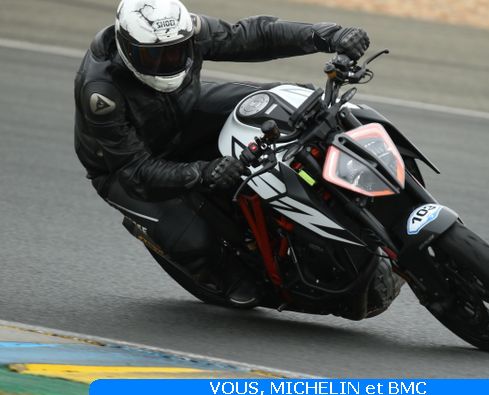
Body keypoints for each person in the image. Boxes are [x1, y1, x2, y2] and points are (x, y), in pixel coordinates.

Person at [74, 0, 370, 306]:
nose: (166, 62)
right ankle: (215, 271)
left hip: (184, 112)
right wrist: (202, 172)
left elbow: (254, 35)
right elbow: (134, 170)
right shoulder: (100, 93)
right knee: (200, 246)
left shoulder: (187, 30)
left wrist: (328, 36)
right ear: (127, 48)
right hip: (123, 167)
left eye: (175, 52)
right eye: (154, 56)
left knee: (287, 103)